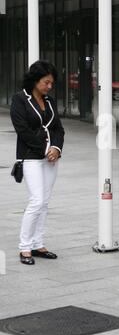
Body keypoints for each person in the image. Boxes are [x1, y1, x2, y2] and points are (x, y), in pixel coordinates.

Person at [10, 61, 65, 266]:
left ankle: (38, 243)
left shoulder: (49, 101)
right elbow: (22, 130)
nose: (49, 86)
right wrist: (44, 149)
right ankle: (25, 247)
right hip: (31, 156)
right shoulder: (19, 99)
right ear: (35, 80)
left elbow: (58, 129)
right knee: (36, 201)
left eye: (51, 83)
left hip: (51, 159)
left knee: (45, 202)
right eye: (46, 82)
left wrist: (56, 149)